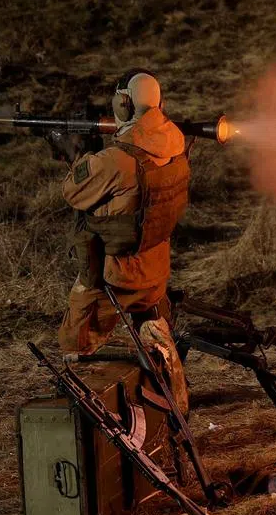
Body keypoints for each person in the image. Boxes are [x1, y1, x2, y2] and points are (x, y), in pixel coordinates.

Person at [46, 69, 190, 412]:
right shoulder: (175, 143)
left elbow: (73, 192)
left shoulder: (117, 161)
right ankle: (177, 404)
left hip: (118, 274)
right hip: (155, 268)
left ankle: (92, 421)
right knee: (155, 333)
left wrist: (76, 155)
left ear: (123, 104)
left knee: (74, 340)